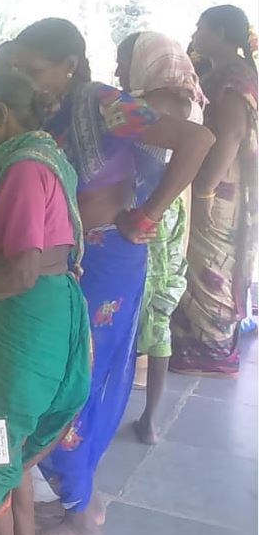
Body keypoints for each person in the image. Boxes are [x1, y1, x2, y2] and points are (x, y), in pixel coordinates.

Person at [11, 19, 214, 535]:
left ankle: (81, 509)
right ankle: (77, 495)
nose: (24, 79)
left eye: (33, 69)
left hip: (107, 261)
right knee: (53, 375)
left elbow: (197, 139)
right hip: (62, 264)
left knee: (83, 378)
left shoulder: (105, 104)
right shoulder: (41, 110)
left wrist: (148, 214)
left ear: (70, 66)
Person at [0, 74, 91, 535]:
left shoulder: (20, 168)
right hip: (48, 308)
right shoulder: (47, 153)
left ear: (1, 114)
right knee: (11, 447)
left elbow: (21, 270)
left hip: (24, 318)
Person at [113, 32, 204, 444]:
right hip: (172, 212)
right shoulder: (191, 102)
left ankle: (109, 406)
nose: (117, 71)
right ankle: (150, 420)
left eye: (122, 61)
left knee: (128, 308)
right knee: (160, 313)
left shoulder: (142, 109)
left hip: (143, 209)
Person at [170, 5, 258, 377]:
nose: (196, 31)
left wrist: (205, 189)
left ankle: (210, 350)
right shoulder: (224, 72)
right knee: (205, 260)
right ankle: (200, 343)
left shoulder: (233, 77)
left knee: (212, 262)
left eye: (202, 26)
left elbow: (233, 135)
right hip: (219, 181)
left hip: (220, 185)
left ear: (221, 32)